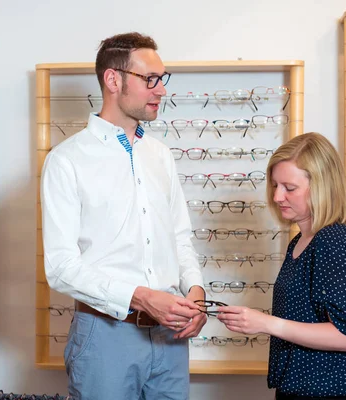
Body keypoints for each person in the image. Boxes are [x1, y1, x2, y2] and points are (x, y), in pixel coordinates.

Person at [41, 32, 207, 400]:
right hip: (105, 337)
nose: (160, 90)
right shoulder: (66, 161)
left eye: (162, 80)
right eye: (150, 79)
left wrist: (195, 294)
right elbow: (61, 266)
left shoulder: (161, 155)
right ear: (113, 80)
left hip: (172, 337)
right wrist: (141, 297)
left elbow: (180, 239)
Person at [217, 133, 346, 399]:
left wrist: (265, 323)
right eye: (275, 185)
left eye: (290, 188)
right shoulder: (300, 241)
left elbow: (345, 337)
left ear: (322, 187)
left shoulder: (333, 239)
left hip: (324, 393)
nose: (277, 196)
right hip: (296, 390)